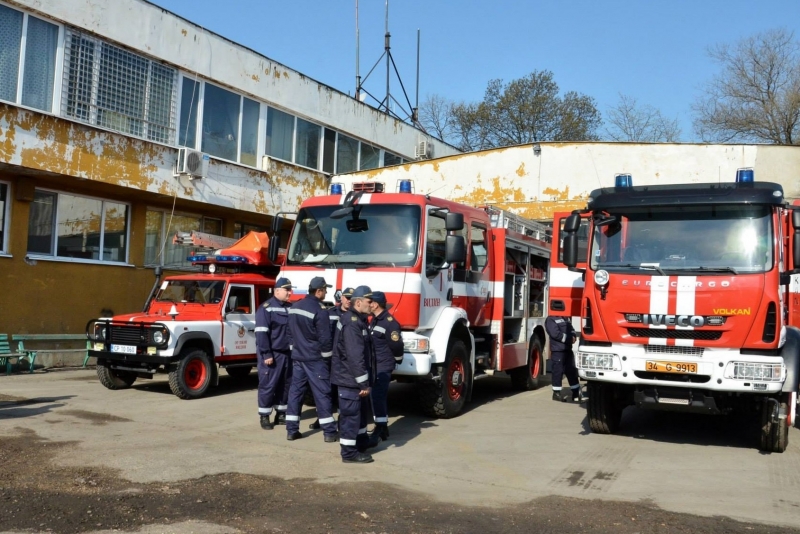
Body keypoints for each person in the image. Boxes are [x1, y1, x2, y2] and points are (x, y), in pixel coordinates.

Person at [285, 276, 338, 442]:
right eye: (325, 290)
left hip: (298, 358)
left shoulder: (294, 307)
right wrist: (327, 359)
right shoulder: (320, 310)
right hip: (315, 359)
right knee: (322, 394)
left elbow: (289, 333)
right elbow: (324, 339)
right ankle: (329, 432)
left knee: (295, 393)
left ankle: (291, 430)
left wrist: (296, 350)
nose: (326, 292)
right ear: (319, 291)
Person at [331, 285, 375, 463]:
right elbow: (355, 356)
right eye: (369, 302)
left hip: (352, 378)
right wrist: (363, 383)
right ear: (358, 302)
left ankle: (361, 442)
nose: (371, 305)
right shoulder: (352, 323)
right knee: (351, 416)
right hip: (349, 380)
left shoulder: (357, 319)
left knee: (360, 413)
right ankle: (349, 453)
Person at [308, 287, 354, 430]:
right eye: (346, 297)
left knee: (343, 392)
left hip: (346, 360)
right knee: (325, 391)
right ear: (341, 298)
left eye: (351, 298)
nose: (348, 300)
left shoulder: (355, 315)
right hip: (330, 359)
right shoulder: (330, 313)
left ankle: (342, 420)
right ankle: (322, 418)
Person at [254, 277, 293, 429]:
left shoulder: (290, 307)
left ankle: (281, 413)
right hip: (272, 354)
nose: (290, 293)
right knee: (268, 385)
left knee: (285, 385)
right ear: (277, 291)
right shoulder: (266, 308)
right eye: (287, 290)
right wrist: (267, 354)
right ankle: (264, 416)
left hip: (287, 354)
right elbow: (262, 334)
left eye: (290, 290)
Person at [366, 291, 403, 447]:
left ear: (375, 304)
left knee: (378, 396)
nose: (367, 304)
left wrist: (397, 360)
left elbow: (397, 345)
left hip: (383, 364)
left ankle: (380, 427)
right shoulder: (374, 320)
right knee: (375, 396)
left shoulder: (389, 322)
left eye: (369, 302)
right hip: (376, 364)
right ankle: (383, 427)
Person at [545, 315, 581, 402]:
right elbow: (555, 334)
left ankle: (576, 393)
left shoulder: (565, 318)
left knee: (571, 371)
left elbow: (571, 328)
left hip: (567, 349)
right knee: (558, 371)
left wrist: (573, 335)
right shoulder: (550, 319)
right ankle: (556, 393)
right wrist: (569, 339)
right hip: (558, 350)